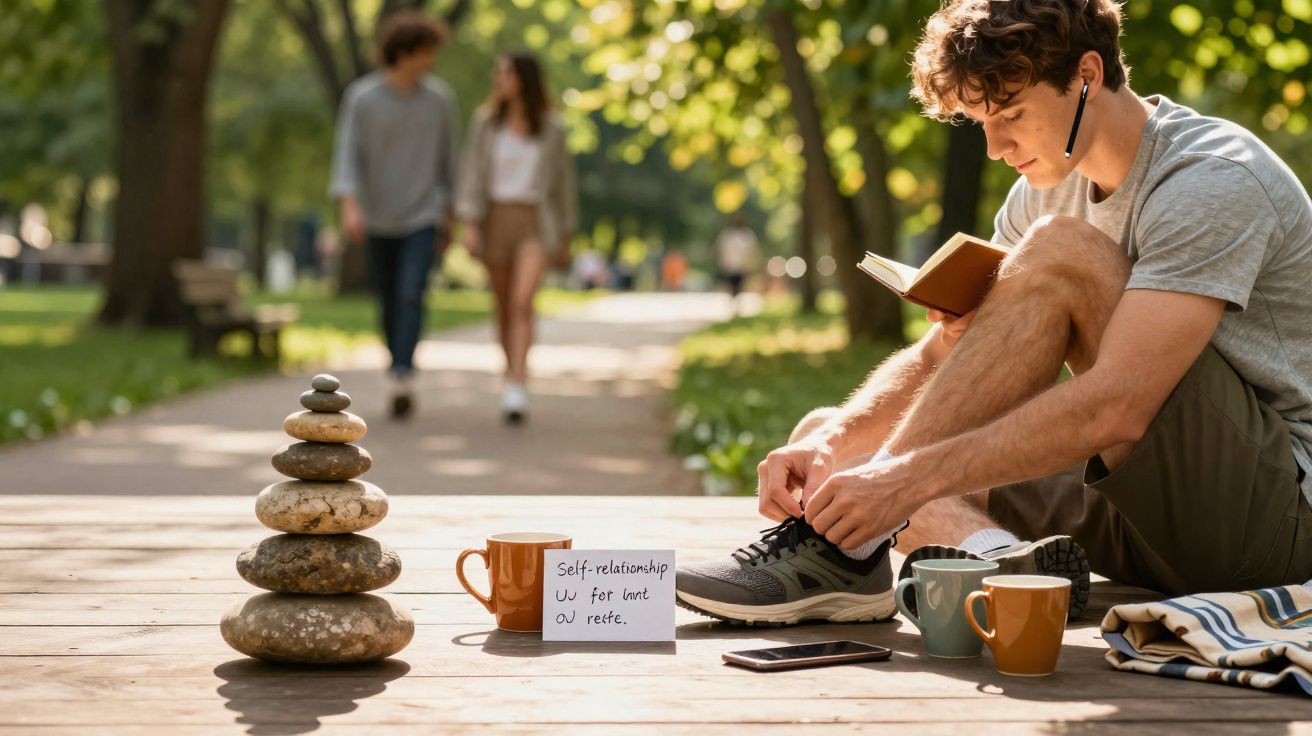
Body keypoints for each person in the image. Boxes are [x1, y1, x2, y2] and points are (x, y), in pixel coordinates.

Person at [676, 0, 1312, 627]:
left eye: (1010, 113)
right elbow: (946, 359)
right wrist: (836, 440)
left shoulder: (1212, 178)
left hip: (1272, 521)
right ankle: (1002, 564)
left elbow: (1119, 403)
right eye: (981, 120)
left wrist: (898, 481)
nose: (994, 145)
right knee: (833, 440)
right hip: (1144, 515)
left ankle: (847, 547)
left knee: (1063, 253)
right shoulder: (1044, 185)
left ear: (1086, 76)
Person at [329, 11, 459, 419]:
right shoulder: (362, 99)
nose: (430, 62)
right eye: (425, 53)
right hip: (378, 216)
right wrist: (349, 207)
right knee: (387, 298)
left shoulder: (440, 101)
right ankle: (396, 359)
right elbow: (346, 157)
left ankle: (403, 371)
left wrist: (451, 213)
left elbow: (448, 163)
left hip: (423, 213)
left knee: (411, 291)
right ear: (402, 53)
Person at [456, 52, 578, 424]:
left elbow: (563, 185)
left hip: (535, 222)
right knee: (503, 304)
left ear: (523, 78)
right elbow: (472, 174)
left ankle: (518, 382)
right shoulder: (486, 124)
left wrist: (567, 235)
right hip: (495, 217)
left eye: (504, 72)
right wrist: (471, 224)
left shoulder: (552, 129)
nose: (498, 78)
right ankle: (510, 372)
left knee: (522, 302)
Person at [714, 215, 759, 309]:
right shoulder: (727, 234)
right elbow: (720, 249)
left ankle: (737, 302)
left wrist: (751, 263)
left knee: (739, 284)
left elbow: (752, 251)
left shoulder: (748, 235)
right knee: (731, 284)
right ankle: (733, 301)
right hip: (729, 265)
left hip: (742, 265)